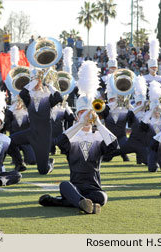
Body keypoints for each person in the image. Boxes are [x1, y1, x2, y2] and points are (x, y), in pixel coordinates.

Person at [39, 61, 118, 214]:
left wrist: (99, 124)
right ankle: (83, 203)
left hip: (94, 189)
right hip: (74, 186)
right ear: (76, 116)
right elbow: (60, 142)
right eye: (82, 113)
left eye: (89, 112)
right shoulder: (72, 136)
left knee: (103, 197)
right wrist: (80, 124)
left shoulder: (98, 136)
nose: (87, 116)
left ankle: (70, 202)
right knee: (64, 185)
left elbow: (113, 145)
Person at [7, 68, 63, 174]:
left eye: (39, 80)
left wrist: (49, 85)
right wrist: (33, 81)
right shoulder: (29, 97)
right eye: (35, 80)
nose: (37, 82)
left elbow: (59, 98)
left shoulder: (48, 96)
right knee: (10, 141)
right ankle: (19, 163)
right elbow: (23, 93)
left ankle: (49, 163)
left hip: (44, 136)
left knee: (43, 171)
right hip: (32, 132)